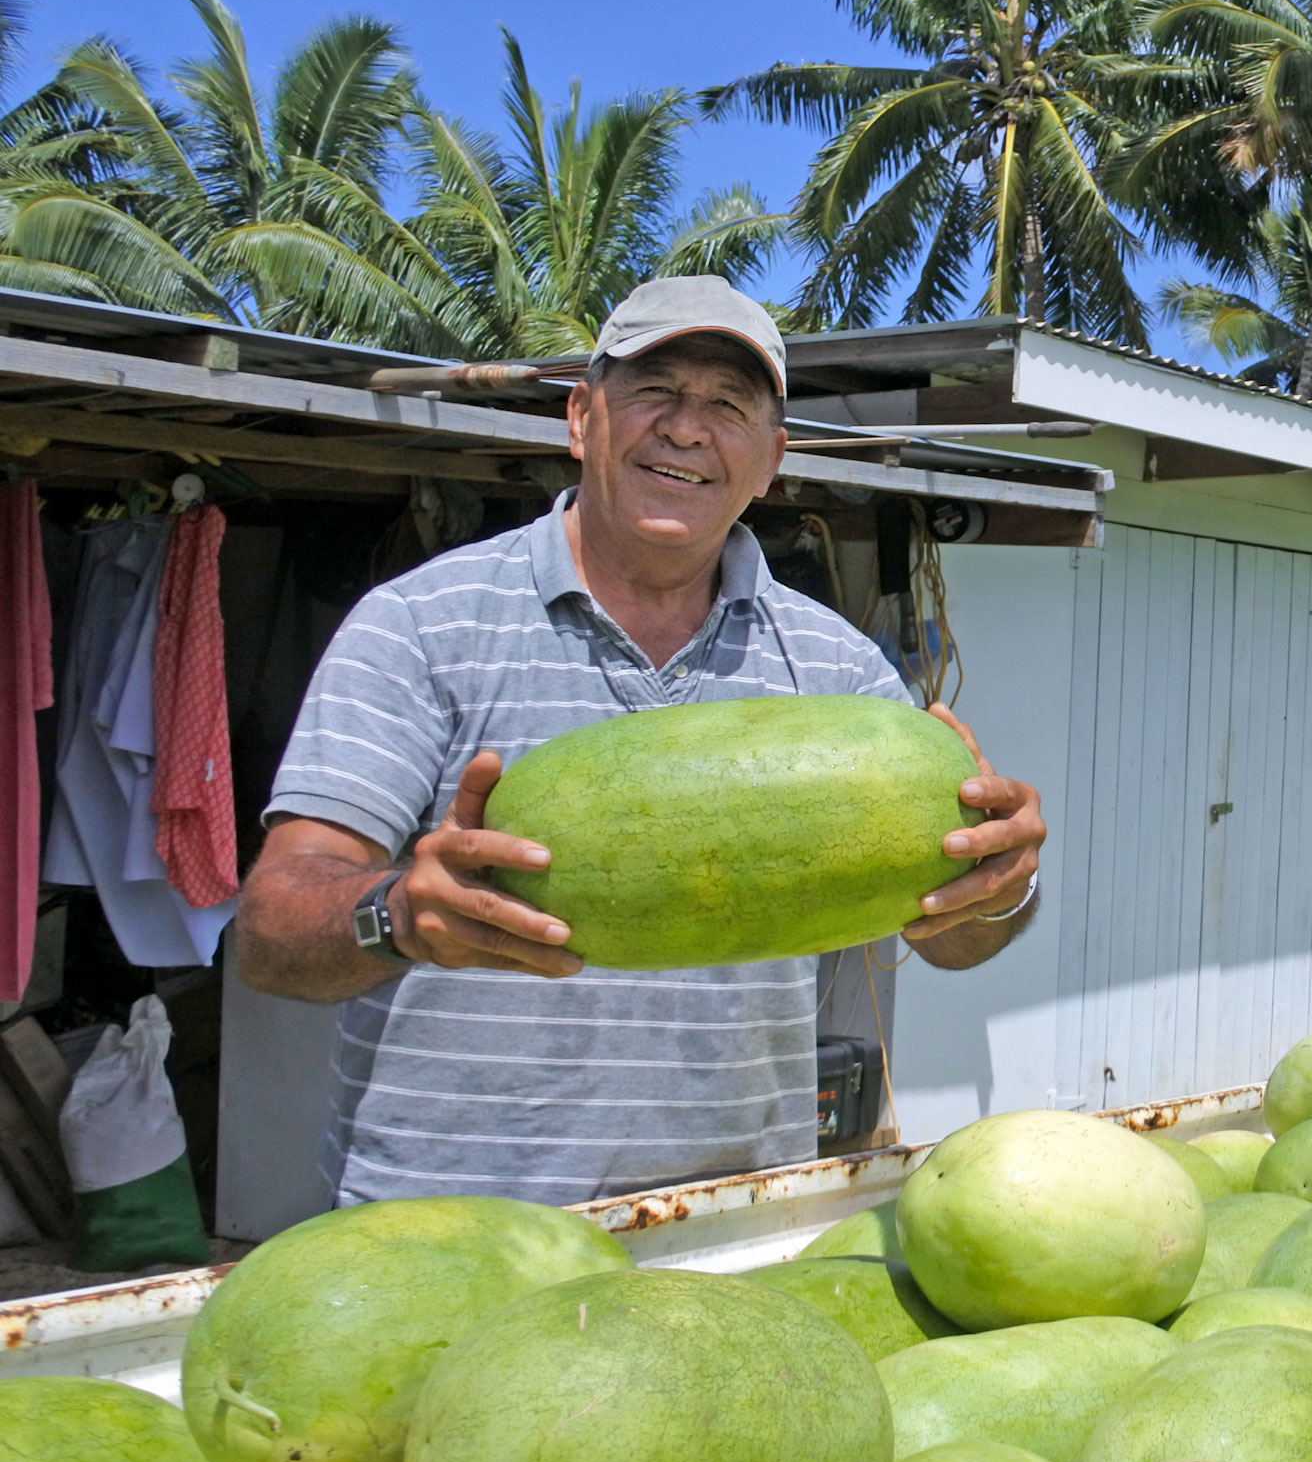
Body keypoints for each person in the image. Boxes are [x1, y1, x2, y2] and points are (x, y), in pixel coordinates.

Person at [233, 275, 1043, 1206]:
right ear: (582, 417)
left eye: (729, 406)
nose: (688, 429)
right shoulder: (420, 625)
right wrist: (397, 915)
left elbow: (951, 940)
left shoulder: (837, 665)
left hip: (726, 1222)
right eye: (655, 390)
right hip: (449, 1229)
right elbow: (270, 931)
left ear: (770, 459)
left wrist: (997, 888)